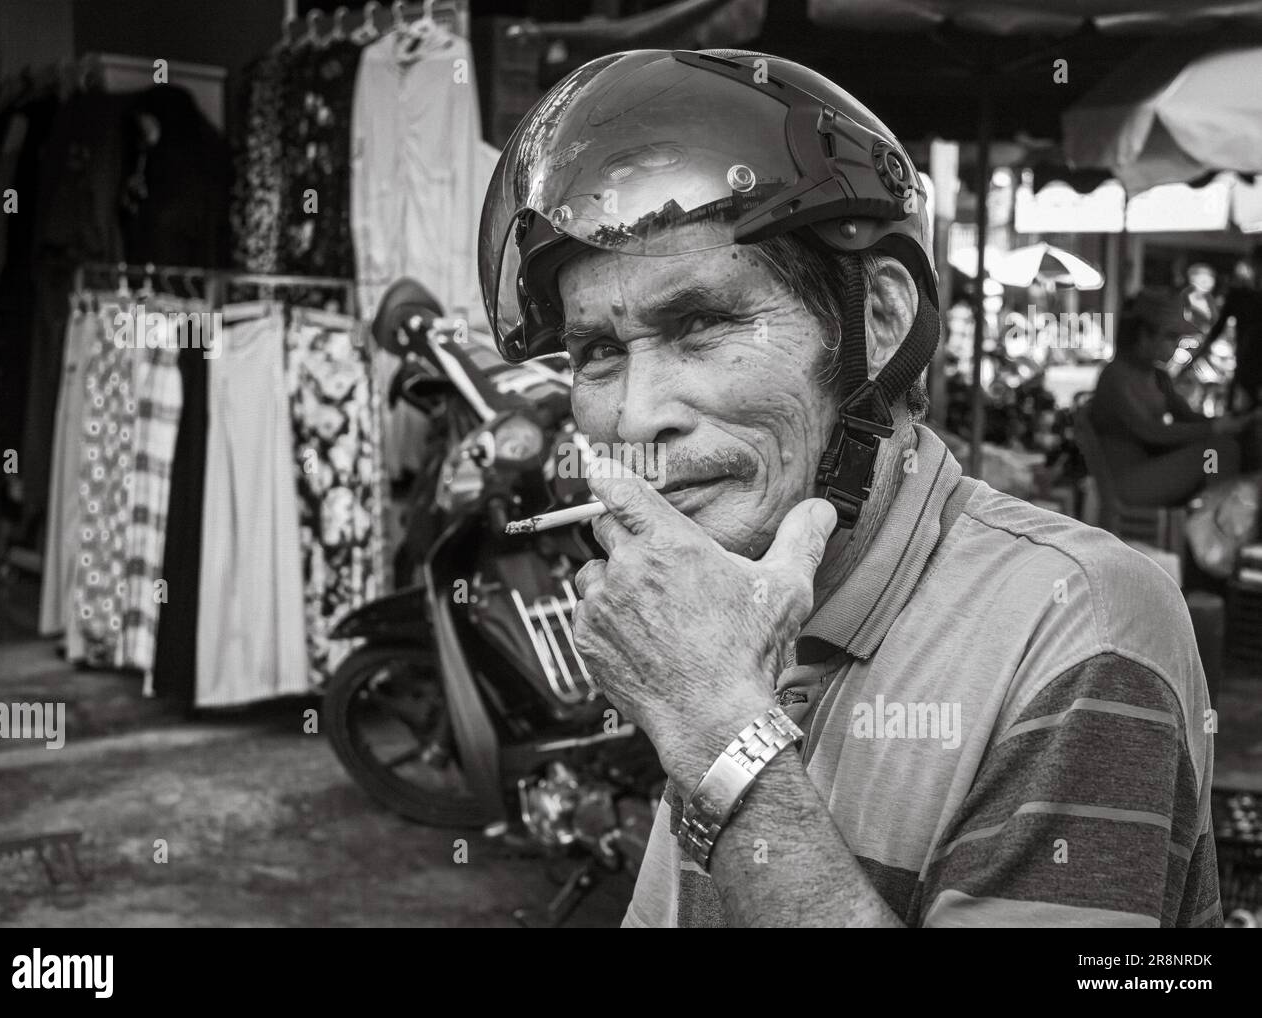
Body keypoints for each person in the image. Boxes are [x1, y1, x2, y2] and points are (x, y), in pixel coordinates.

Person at [479, 49, 1220, 927]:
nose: (637, 417)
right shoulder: (739, 606)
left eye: (702, 323)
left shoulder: (1081, 628)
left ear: (881, 319)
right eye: (598, 353)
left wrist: (721, 733)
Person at [1091, 288, 1258, 508]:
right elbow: (1151, 432)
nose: (1176, 345)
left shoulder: (1157, 376)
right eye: (1170, 337)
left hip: (1157, 466)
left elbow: (1188, 417)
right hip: (1129, 482)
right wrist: (1215, 428)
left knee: (1226, 449)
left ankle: (1215, 519)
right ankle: (1211, 525)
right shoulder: (1115, 377)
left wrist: (1236, 422)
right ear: (1143, 335)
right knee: (1217, 453)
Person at [1207, 250, 1262, 411]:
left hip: (1246, 364)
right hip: (1246, 366)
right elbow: (1217, 329)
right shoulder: (1239, 296)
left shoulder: (1240, 296)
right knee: (1239, 414)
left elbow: (1217, 329)